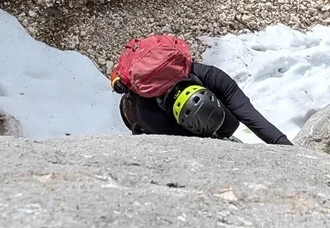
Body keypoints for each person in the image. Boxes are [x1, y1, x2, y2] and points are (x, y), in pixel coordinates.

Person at [111, 34, 291, 145]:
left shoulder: (210, 76)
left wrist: (284, 147)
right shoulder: (147, 114)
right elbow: (184, 149)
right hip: (141, 107)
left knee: (230, 126)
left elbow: (250, 117)